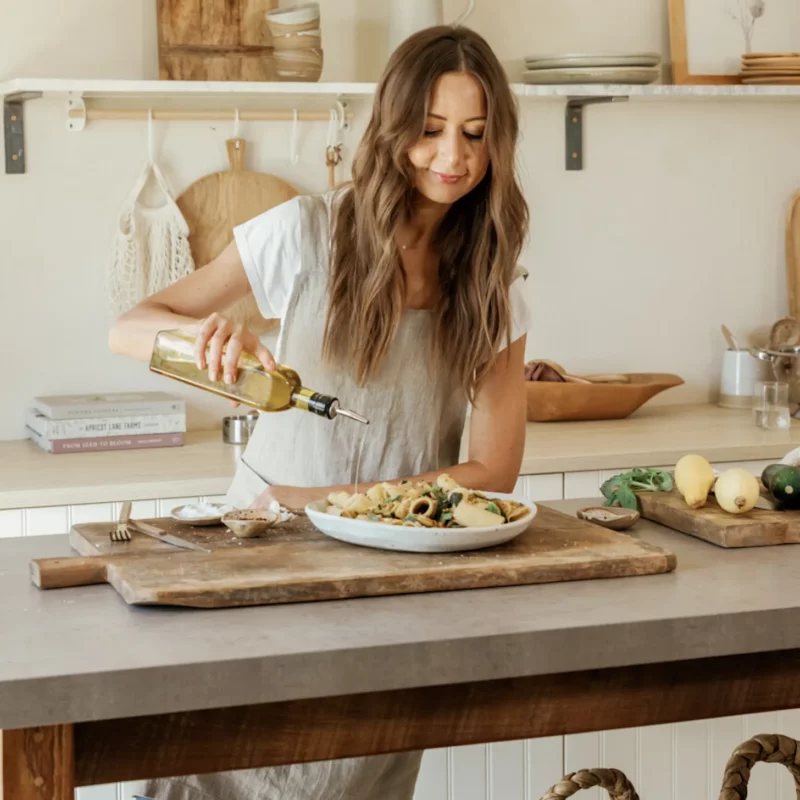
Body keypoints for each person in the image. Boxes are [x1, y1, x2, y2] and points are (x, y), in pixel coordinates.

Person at [111, 23, 530, 800]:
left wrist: (337, 505)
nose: (453, 157)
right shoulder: (306, 231)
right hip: (260, 563)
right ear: (394, 128)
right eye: (431, 130)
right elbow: (129, 326)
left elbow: (495, 471)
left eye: (475, 134)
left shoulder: (492, 282)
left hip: (393, 587)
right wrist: (201, 338)